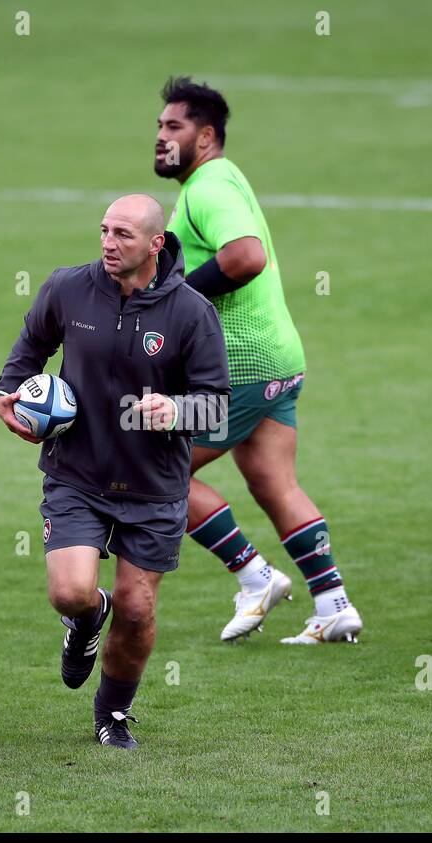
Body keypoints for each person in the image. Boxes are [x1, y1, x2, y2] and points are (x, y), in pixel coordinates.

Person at [0, 194, 229, 748]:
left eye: (123, 234)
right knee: (71, 592)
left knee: (139, 610)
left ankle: (112, 714)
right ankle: (85, 620)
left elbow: (216, 403)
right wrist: (5, 394)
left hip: (154, 486)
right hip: (78, 473)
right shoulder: (68, 288)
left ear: (155, 244)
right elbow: (30, 348)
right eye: (104, 230)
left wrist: (177, 410)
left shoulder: (192, 312)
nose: (108, 243)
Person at [154, 76, 361, 644]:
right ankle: (333, 603)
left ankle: (254, 575)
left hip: (239, 365)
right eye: (159, 126)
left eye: (175, 127)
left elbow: (245, 256)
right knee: (274, 481)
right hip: (279, 357)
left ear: (207, 135)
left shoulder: (207, 189)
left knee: (154, 468)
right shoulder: (222, 176)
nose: (161, 137)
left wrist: (174, 302)